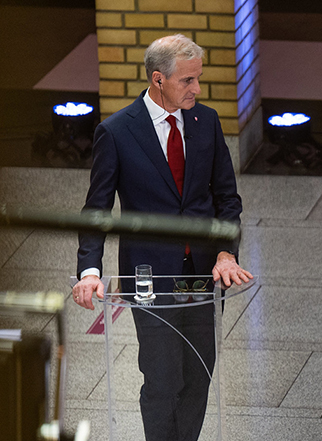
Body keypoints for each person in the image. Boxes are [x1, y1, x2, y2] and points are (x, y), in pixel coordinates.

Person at [71, 34, 252, 441]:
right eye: (187, 81)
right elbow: (97, 209)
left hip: (202, 275)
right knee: (162, 378)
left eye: (198, 79)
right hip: (151, 278)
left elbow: (227, 197)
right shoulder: (116, 132)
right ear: (158, 79)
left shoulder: (206, 122)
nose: (197, 89)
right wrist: (89, 269)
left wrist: (225, 252)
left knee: (198, 373)